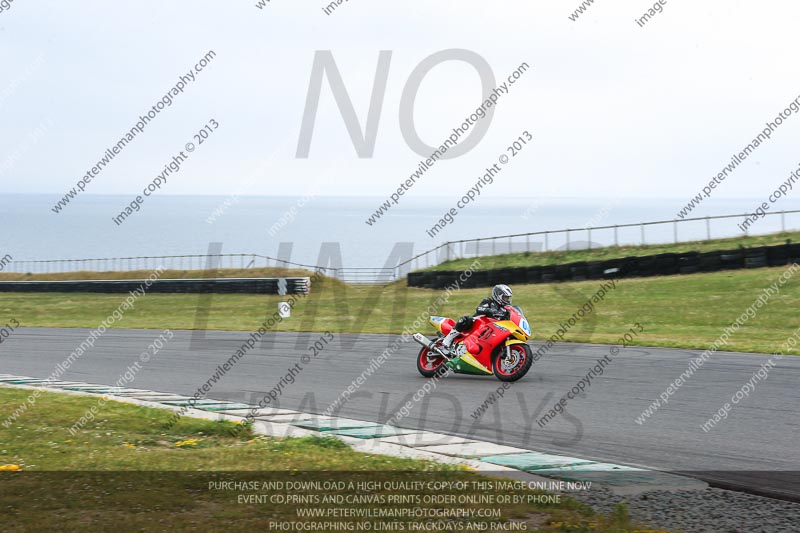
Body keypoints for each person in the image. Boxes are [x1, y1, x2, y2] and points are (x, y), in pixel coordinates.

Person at [439, 284, 513, 355]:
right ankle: (446, 342)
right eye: (505, 297)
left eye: (508, 298)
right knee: (466, 319)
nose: (507, 299)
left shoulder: (504, 310)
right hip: (476, 325)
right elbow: (479, 309)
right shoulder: (488, 301)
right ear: (498, 296)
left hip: (488, 331)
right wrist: (490, 311)